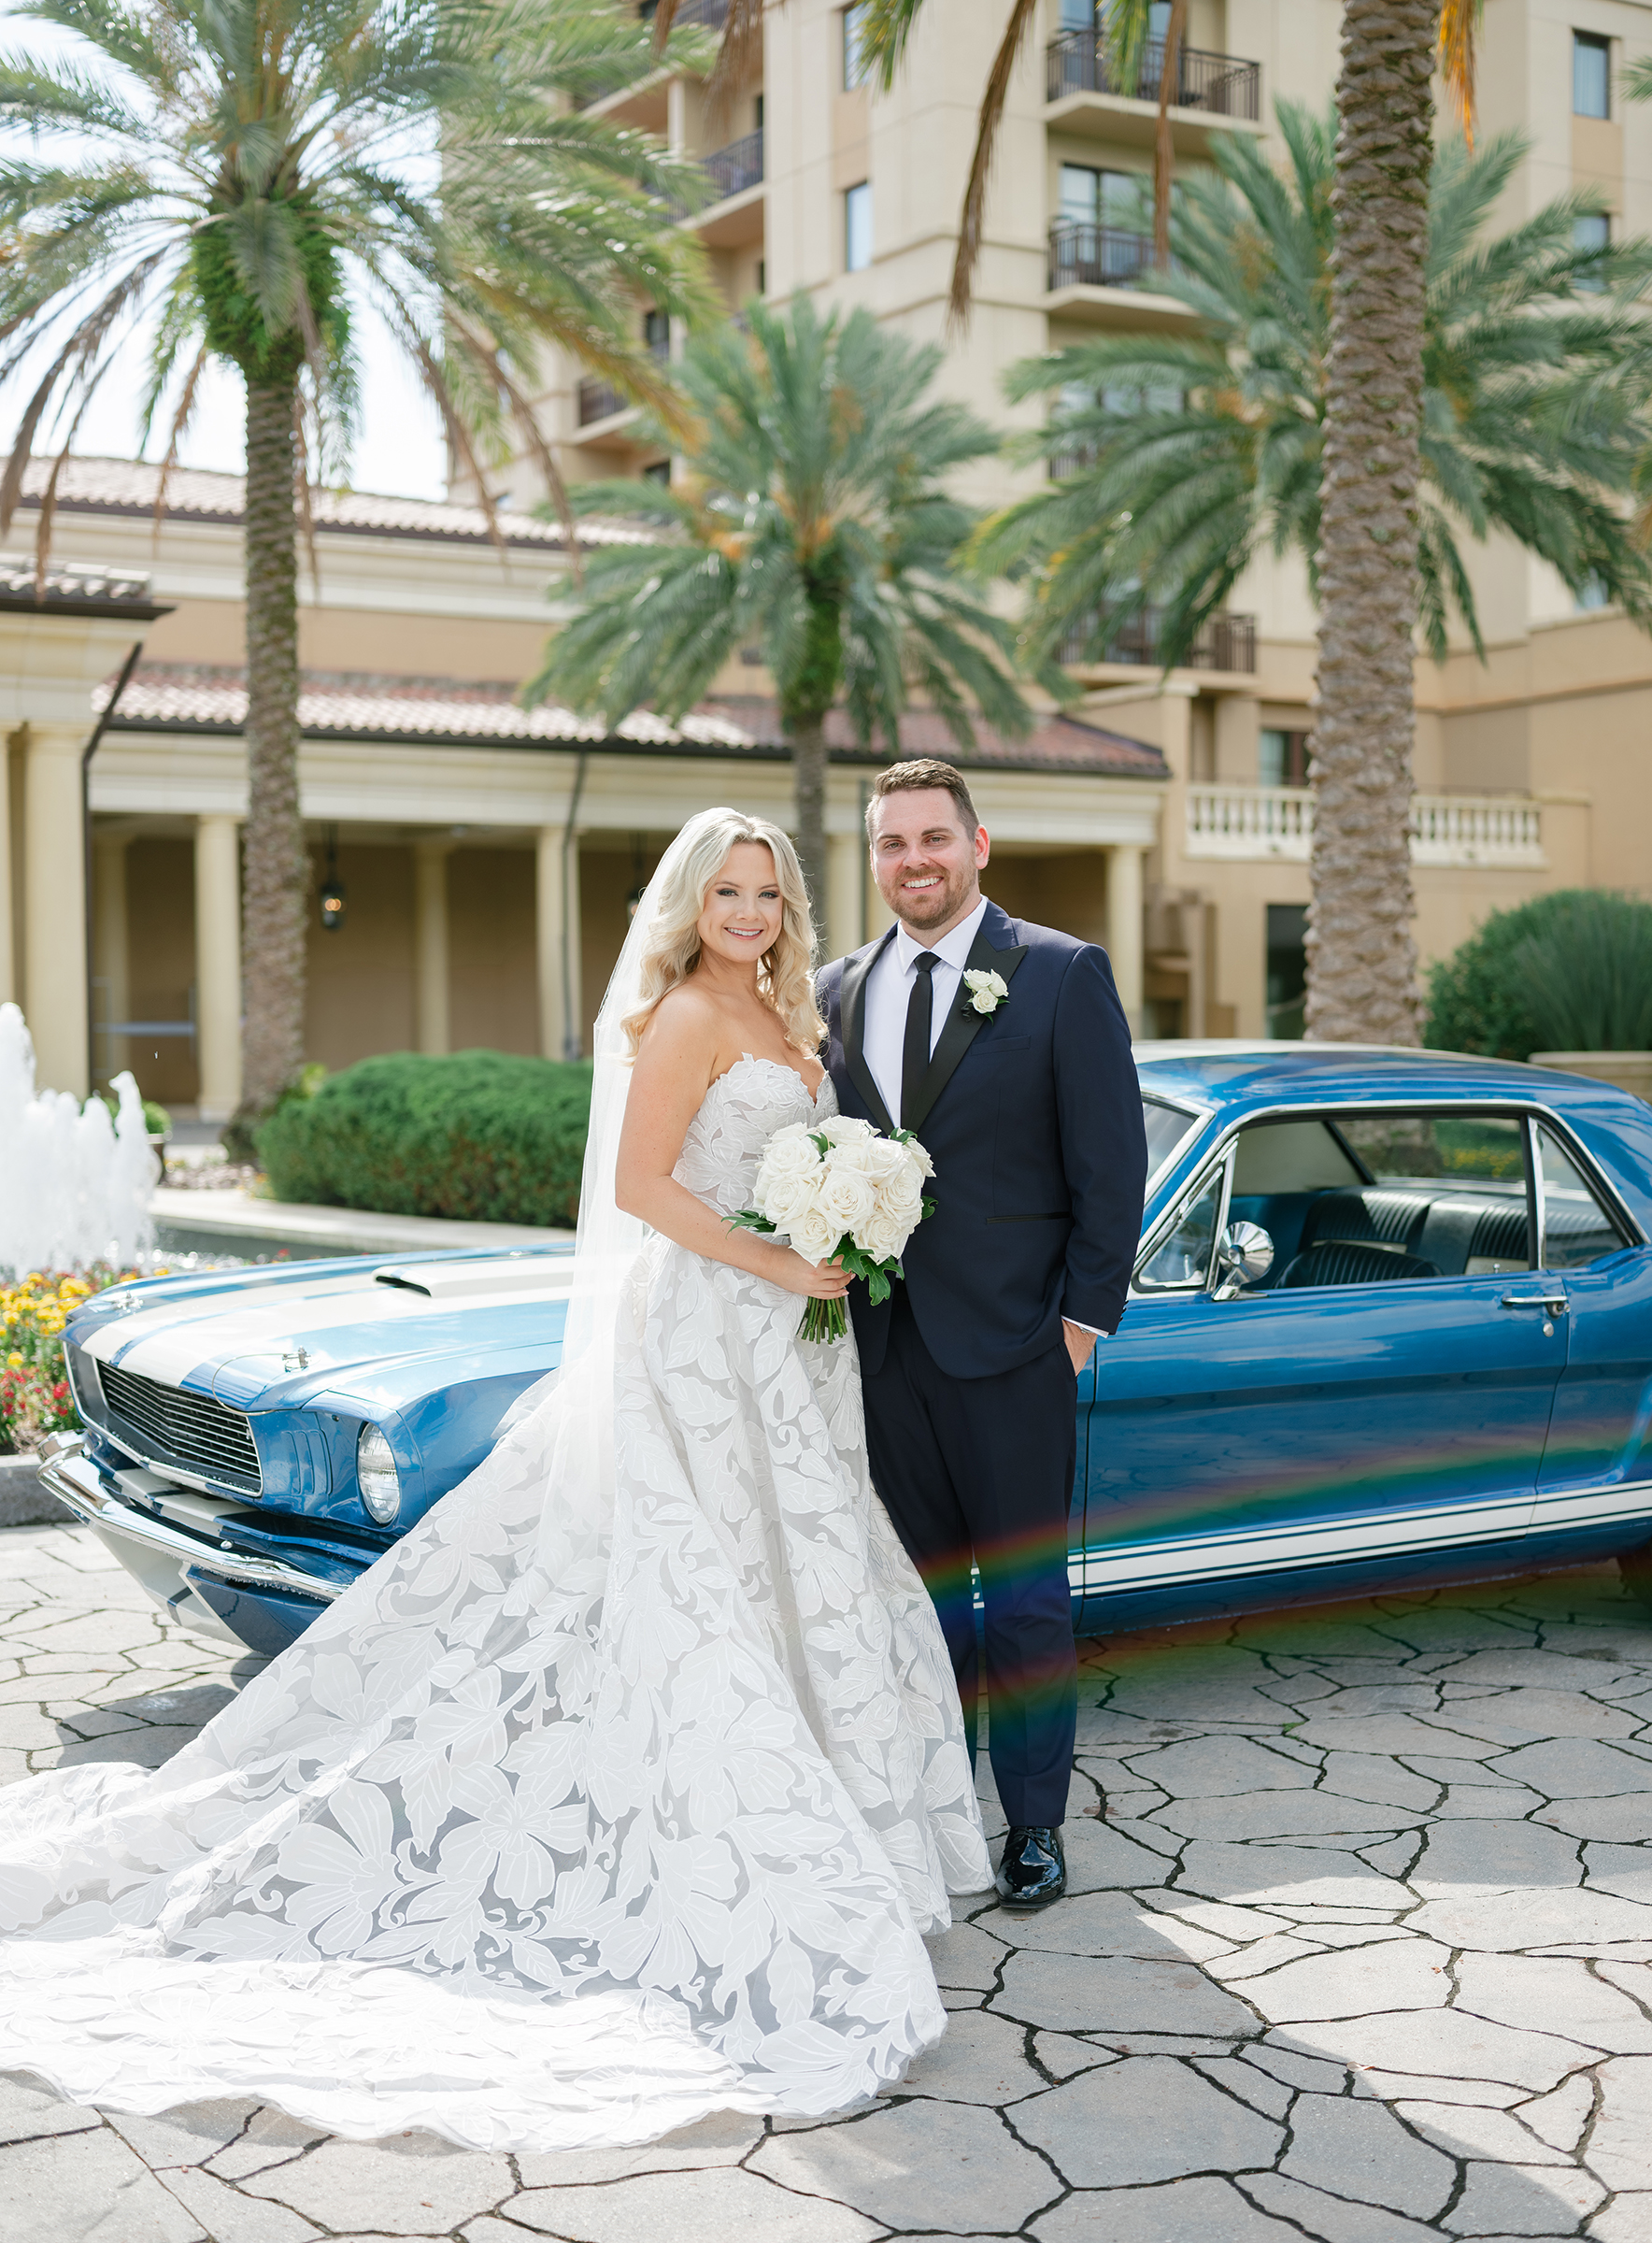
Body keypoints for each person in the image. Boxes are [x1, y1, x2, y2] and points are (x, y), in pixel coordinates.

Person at [0, 808, 990, 2154]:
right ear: (691, 904)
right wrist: (780, 1258)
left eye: (765, 891)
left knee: (798, 1568)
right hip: (702, 1337)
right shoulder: (687, 1018)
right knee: (696, 1584)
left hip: (790, 1351)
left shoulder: (788, 1018)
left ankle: (837, 1822)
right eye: (726, 893)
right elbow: (645, 1188)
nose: (748, 912)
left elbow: (784, 1170)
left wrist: (838, 1215)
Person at [817, 761, 1147, 1911]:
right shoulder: (833, 991)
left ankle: (1037, 1830)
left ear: (978, 845)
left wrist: (1079, 1325)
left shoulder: (1057, 974)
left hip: (1016, 1351)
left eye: (933, 838)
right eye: (892, 843)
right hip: (881, 1350)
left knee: (1023, 1602)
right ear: (875, 860)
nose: (915, 860)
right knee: (913, 1599)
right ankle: (937, 1812)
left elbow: (1112, 1166)